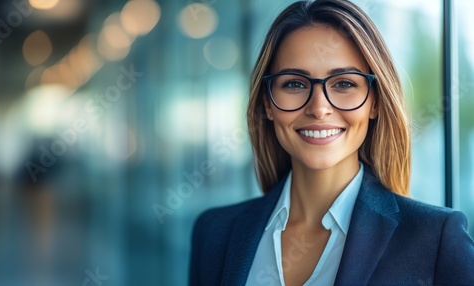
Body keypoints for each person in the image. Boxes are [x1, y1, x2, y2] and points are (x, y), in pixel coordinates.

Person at [189, 0, 474, 285]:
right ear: (267, 103)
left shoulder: (436, 238)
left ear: (374, 102)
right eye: (295, 84)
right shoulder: (215, 233)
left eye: (344, 84)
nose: (319, 107)